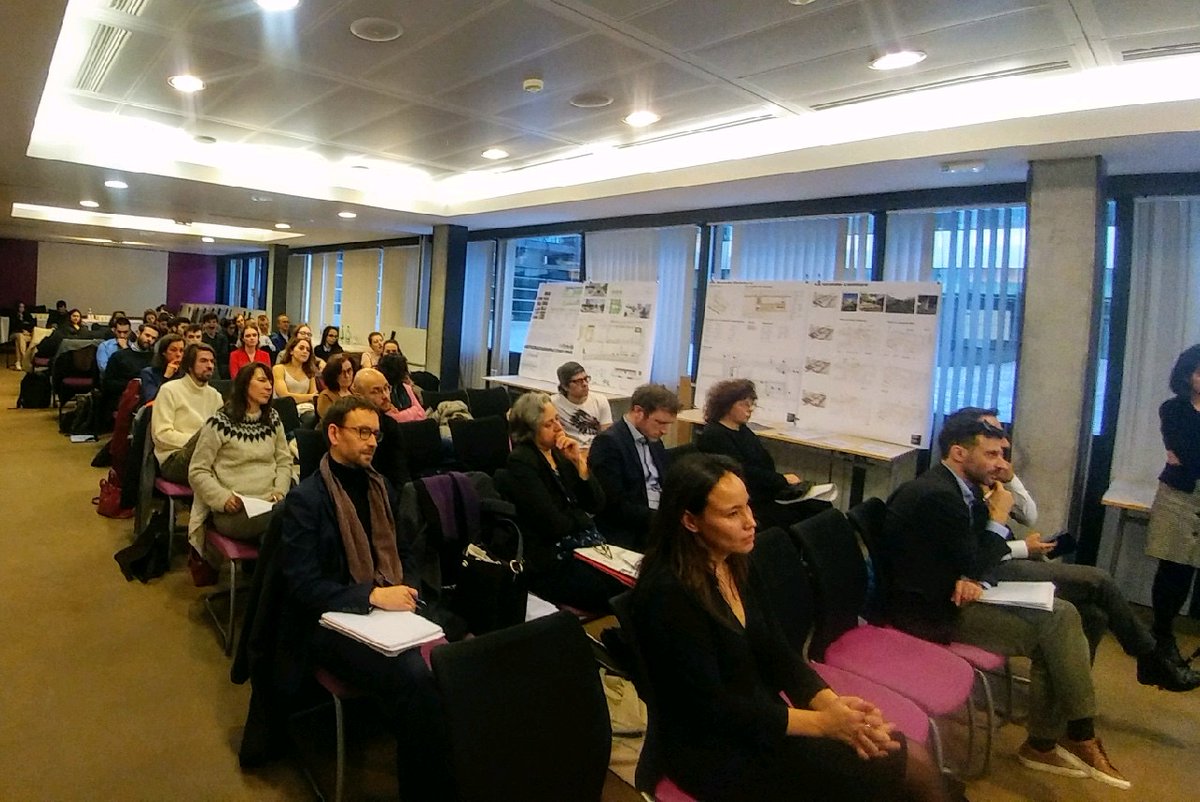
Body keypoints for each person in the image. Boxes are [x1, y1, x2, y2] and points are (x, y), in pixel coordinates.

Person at [628, 453, 950, 802]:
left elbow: (778, 652)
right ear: (690, 521)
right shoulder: (667, 594)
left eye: (747, 506)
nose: (751, 521)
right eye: (732, 514)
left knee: (901, 757)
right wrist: (823, 725)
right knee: (903, 765)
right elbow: (713, 709)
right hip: (715, 749)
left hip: (763, 719)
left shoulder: (734, 562)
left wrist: (832, 706)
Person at [885, 415, 1129, 789]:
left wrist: (974, 575)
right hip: (929, 612)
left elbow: (974, 562)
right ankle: (1076, 734)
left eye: (1003, 455)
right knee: (1059, 617)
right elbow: (974, 560)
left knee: (1076, 615)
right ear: (959, 453)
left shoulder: (961, 487)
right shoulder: (938, 496)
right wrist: (996, 520)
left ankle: (1049, 741)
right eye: (992, 455)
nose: (1001, 464)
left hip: (955, 592)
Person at [946, 407, 1200, 690]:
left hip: (1003, 558)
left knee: (1094, 614)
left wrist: (1011, 480)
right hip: (991, 570)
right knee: (1098, 581)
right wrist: (1021, 547)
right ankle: (1152, 658)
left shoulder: (990, 477)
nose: (1003, 444)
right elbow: (975, 553)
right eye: (992, 443)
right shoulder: (958, 488)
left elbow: (1029, 515)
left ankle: (1070, 695)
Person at [279, 396, 450, 801]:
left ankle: (451, 765)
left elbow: (405, 551)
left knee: (458, 655)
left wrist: (408, 589)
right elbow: (303, 586)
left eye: (375, 433)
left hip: (389, 613)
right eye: (362, 432)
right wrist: (372, 595)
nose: (372, 441)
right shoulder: (308, 499)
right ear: (334, 433)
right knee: (415, 676)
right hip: (330, 622)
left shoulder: (381, 487)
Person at [502, 392, 625, 611]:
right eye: (548, 424)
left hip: (582, 543)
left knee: (630, 581)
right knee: (613, 592)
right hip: (551, 556)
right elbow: (552, 524)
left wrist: (580, 465)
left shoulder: (560, 453)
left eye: (557, 419)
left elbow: (596, 504)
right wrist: (582, 517)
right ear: (530, 430)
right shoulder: (522, 461)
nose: (559, 427)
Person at [696, 378, 825, 530]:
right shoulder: (714, 435)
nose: (750, 409)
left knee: (821, 505)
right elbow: (743, 472)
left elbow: (763, 462)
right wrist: (781, 480)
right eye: (744, 404)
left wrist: (781, 482)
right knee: (802, 515)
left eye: (752, 404)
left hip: (765, 491)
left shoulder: (742, 429)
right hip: (748, 499)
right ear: (726, 406)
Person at [188, 362, 290, 551]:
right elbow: (198, 470)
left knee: (282, 529)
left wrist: (280, 491)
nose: (269, 386)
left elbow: (284, 461)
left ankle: (265, 569)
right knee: (286, 521)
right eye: (262, 380)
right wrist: (223, 498)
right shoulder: (219, 423)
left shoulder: (272, 418)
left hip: (271, 504)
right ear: (244, 384)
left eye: (270, 381)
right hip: (235, 511)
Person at [1147, 344, 1200, 670]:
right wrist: (1185, 458)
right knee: (1174, 571)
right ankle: (1162, 636)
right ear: (1187, 375)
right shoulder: (1173, 409)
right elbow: (1189, 454)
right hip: (1178, 498)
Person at [588, 383, 681, 550]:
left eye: (668, 424)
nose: (665, 431)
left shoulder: (653, 440)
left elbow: (665, 482)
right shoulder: (608, 443)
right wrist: (663, 519)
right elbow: (613, 505)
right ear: (638, 412)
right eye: (660, 422)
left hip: (658, 518)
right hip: (631, 529)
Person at [151, 344, 223, 484]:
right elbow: (161, 435)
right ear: (189, 366)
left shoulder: (215, 396)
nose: (210, 366)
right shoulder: (169, 390)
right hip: (174, 458)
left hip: (206, 454)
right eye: (203, 361)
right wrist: (199, 443)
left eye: (212, 361)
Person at [346, 367, 413, 490]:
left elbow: (399, 470)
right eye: (375, 391)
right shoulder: (346, 426)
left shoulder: (390, 425)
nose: (385, 396)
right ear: (358, 395)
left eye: (387, 388)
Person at [550, 360, 612, 446]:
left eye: (586, 379)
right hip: (569, 447)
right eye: (578, 381)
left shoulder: (600, 400)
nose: (585, 384)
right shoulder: (553, 403)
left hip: (595, 447)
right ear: (565, 386)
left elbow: (607, 435)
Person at [104, 321, 160, 405]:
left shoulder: (155, 359)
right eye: (147, 335)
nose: (149, 340)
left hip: (147, 401)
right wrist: (133, 385)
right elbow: (108, 383)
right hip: (122, 400)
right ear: (138, 333)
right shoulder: (119, 356)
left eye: (153, 338)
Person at [273, 335, 319, 427]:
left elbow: (314, 397)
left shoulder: (310, 372)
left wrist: (309, 397)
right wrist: (309, 397)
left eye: (308, 350)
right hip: (285, 410)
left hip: (306, 409)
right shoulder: (279, 369)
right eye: (301, 348)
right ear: (291, 351)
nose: (305, 351)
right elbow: (284, 396)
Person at [377, 353, 426, 423]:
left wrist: (402, 415)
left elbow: (422, 415)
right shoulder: (382, 392)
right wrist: (414, 411)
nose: (406, 374)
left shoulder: (406, 388)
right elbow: (390, 419)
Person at [139, 333, 184, 404]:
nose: (179, 354)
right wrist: (166, 377)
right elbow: (151, 400)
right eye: (173, 350)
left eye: (181, 350)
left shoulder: (185, 373)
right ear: (164, 352)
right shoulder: (149, 373)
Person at [316, 353, 355, 420]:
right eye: (342, 372)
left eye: (349, 370)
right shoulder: (326, 396)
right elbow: (329, 420)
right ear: (333, 375)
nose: (347, 376)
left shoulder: (355, 393)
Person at [200, 312, 230, 379]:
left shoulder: (223, 338)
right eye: (209, 322)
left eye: (214, 322)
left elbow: (224, 354)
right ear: (204, 324)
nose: (211, 324)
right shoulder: (201, 339)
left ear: (217, 324)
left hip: (220, 365)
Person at [8, 301, 34, 370]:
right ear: (17, 307)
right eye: (20, 307)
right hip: (14, 334)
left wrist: (27, 331)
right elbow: (13, 327)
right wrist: (22, 330)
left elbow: (32, 324)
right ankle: (25, 358)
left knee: (18, 341)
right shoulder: (13, 315)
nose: (22, 309)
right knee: (19, 336)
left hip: (25, 335)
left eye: (23, 307)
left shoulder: (27, 314)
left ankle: (18, 362)